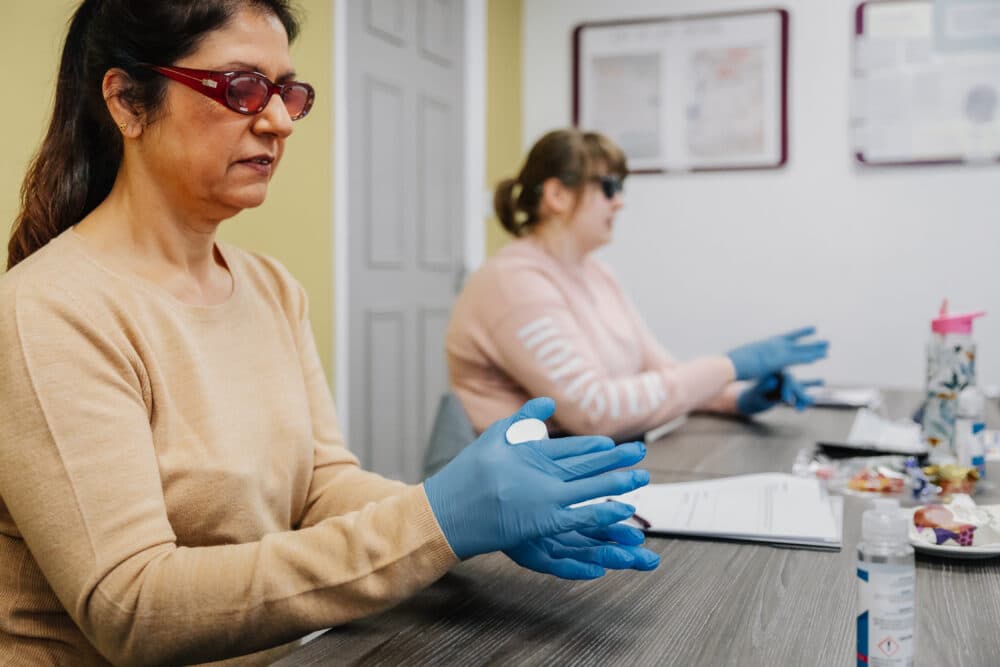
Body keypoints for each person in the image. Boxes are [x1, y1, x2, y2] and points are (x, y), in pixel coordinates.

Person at [0, 4, 658, 665]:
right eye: (241, 87)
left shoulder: (271, 288)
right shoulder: (49, 309)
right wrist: (435, 522)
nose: (280, 120)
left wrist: (475, 518)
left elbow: (320, 486)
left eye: (288, 91)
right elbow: (133, 606)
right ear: (127, 102)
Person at [446, 129, 829, 441]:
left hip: (587, 465)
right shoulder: (512, 282)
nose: (620, 203)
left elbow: (663, 373)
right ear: (557, 195)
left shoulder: (597, 275)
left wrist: (738, 398)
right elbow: (594, 411)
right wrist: (729, 365)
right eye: (610, 187)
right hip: (529, 486)